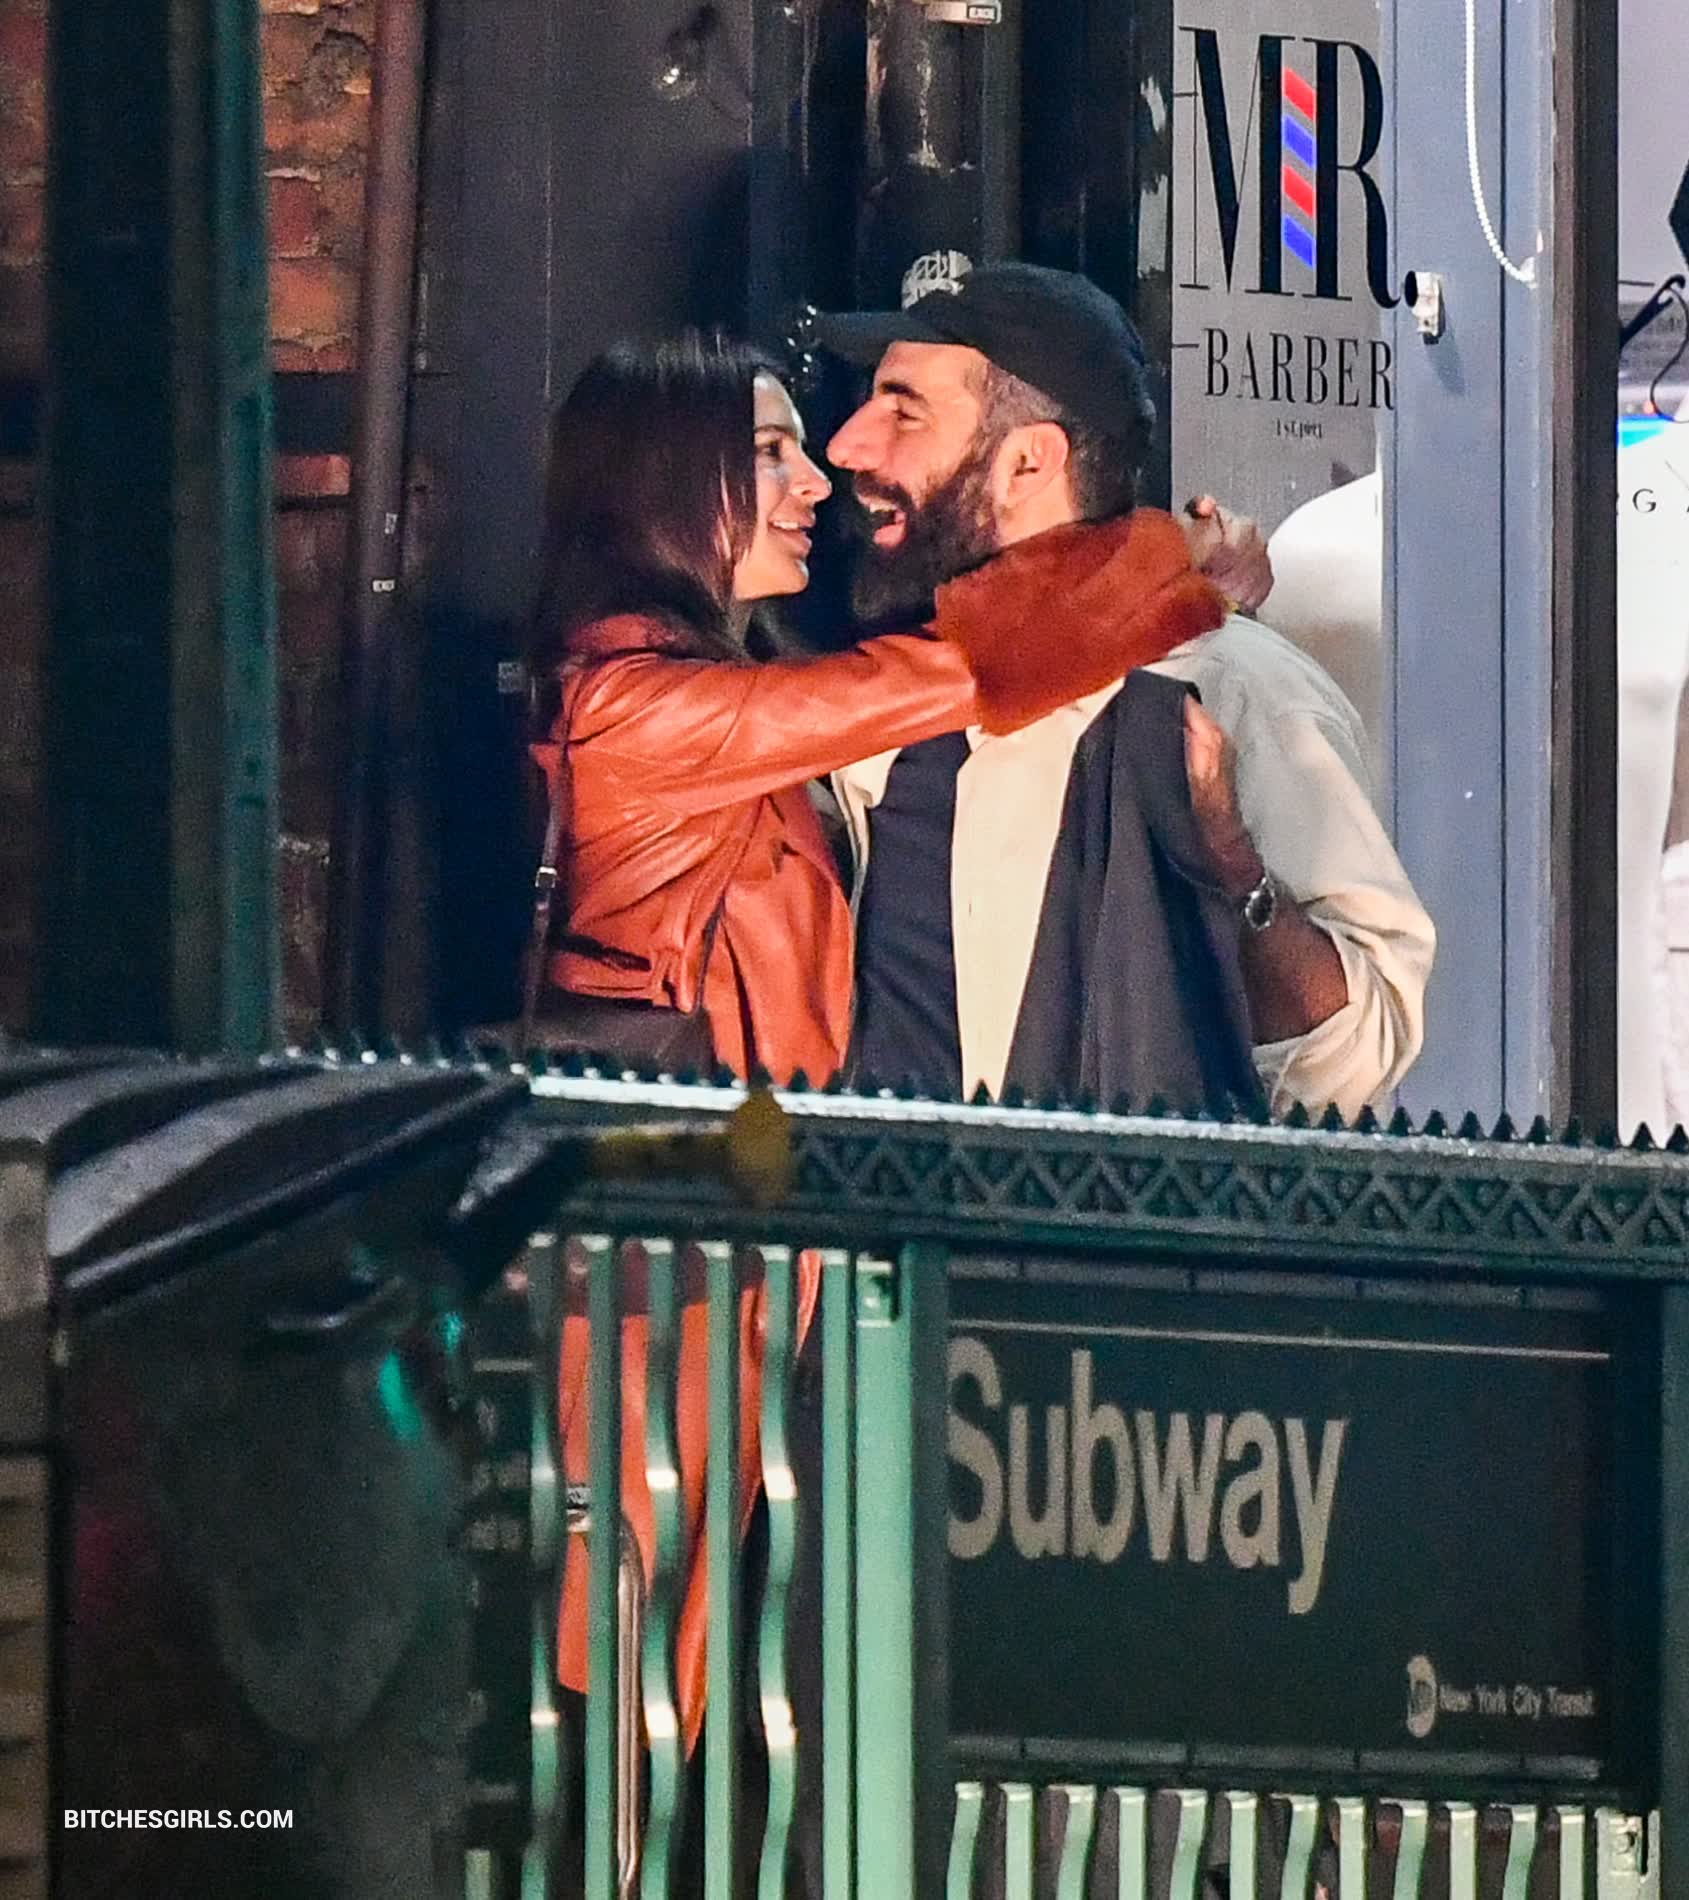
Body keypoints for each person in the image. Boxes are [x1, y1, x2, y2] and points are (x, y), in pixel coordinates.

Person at [526, 331, 1268, 1896]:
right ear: (666, 483)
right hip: (680, 1297)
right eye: (770, 451)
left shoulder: (710, 696)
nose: (816, 479)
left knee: (723, 1712)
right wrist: (1173, 568)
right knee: (635, 1736)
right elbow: (936, 677)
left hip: (753, 1281)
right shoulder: (640, 713)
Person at [813, 261, 1435, 1122]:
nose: (846, 446)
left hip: (1086, 1208)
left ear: (1026, 462)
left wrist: (1229, 862)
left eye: (902, 411)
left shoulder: (1226, 686)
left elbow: (1355, 1053)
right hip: (880, 1206)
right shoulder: (893, 691)